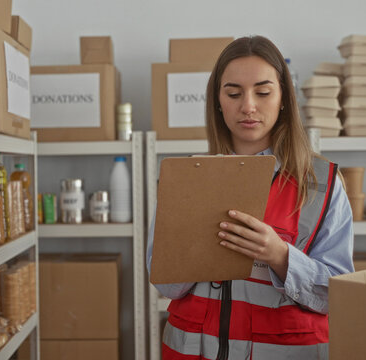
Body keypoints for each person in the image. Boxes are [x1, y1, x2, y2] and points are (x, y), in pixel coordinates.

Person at [147, 36, 354, 360]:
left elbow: (339, 294)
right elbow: (165, 285)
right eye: (233, 93)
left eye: (263, 92)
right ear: (217, 100)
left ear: (284, 97)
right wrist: (195, 246)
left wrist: (280, 256)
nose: (248, 106)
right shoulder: (187, 178)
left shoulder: (321, 183)